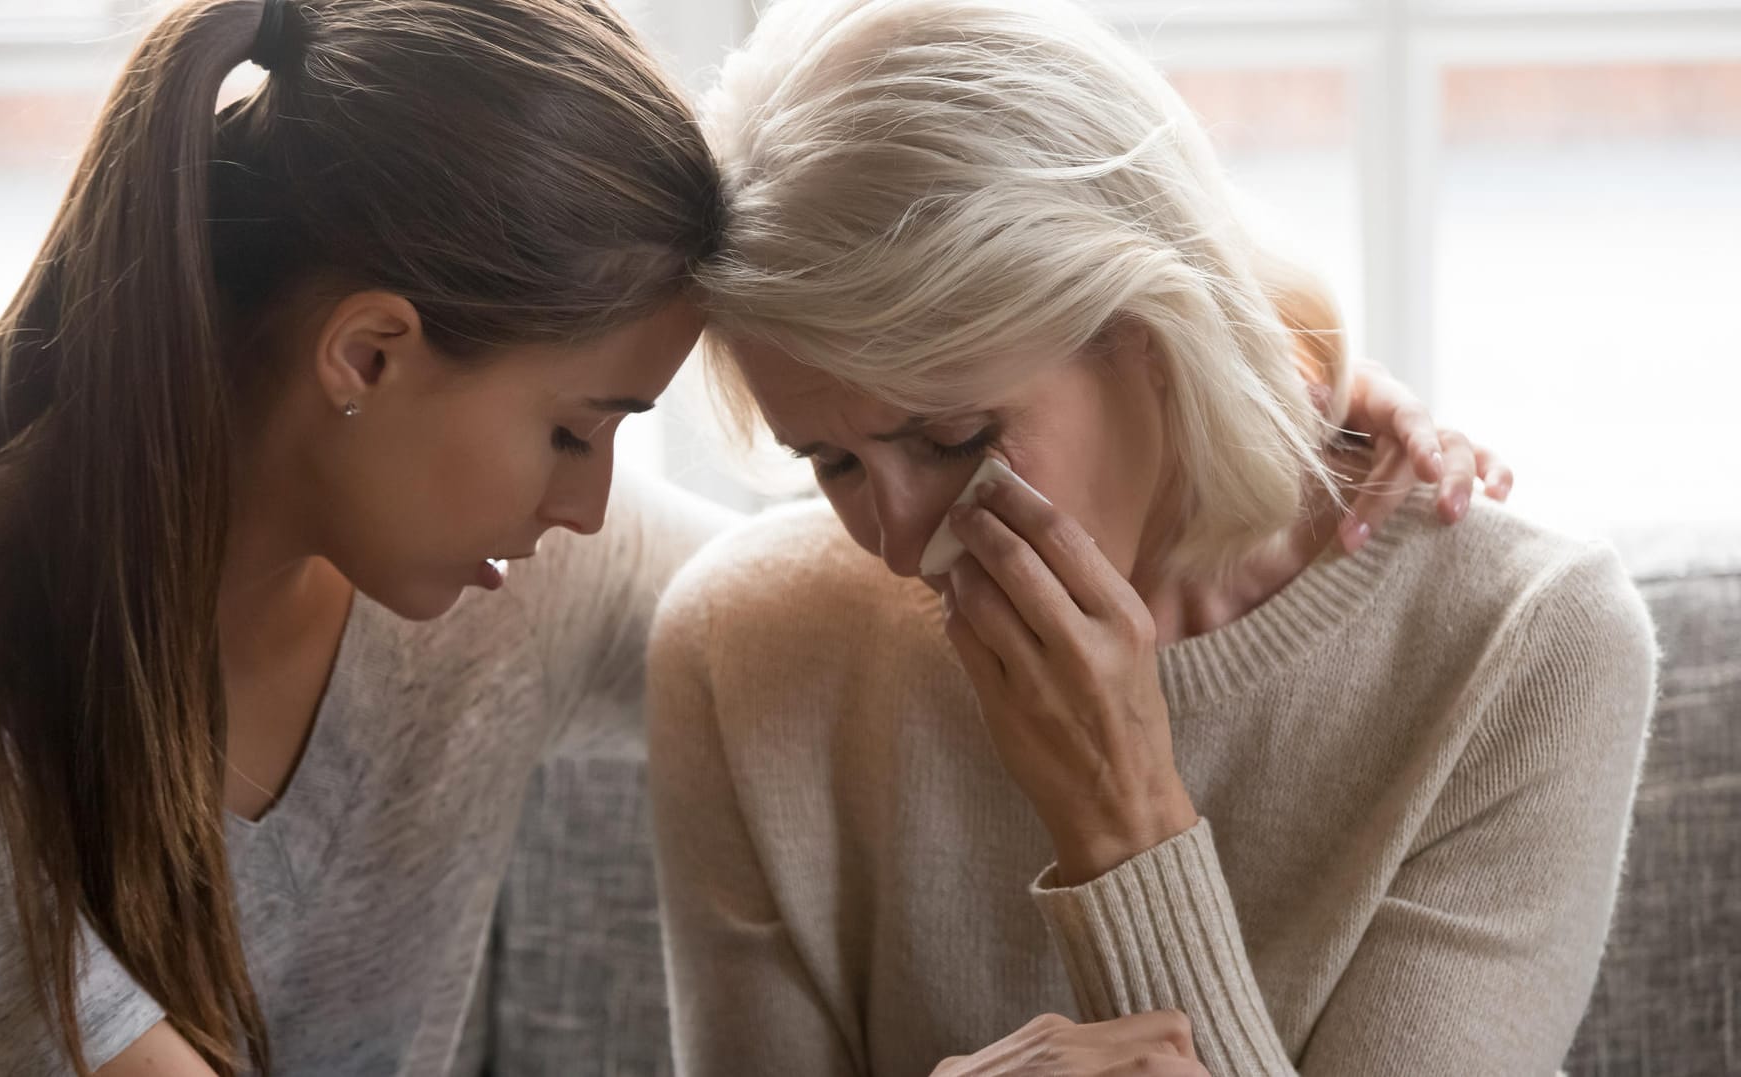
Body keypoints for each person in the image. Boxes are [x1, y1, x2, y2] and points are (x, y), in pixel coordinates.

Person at [0, 0, 1494, 1074]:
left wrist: (1238, 382)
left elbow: (840, 615)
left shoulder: (508, 570)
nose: (592, 506)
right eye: (577, 428)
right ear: (369, 354)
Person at [648, 1, 1654, 1074]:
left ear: (1148, 330)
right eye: (831, 463)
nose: (898, 545)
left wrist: (1123, 829)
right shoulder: (741, 647)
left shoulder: (1529, 651)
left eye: (953, 439)